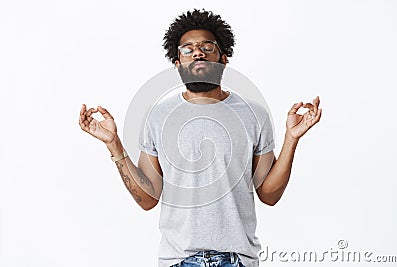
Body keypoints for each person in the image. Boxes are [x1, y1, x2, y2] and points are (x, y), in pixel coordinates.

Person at [79, 9, 322, 267]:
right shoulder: (158, 116)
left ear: (223, 58)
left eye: (207, 46)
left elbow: (269, 195)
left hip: (237, 260)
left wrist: (292, 138)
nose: (198, 52)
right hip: (178, 260)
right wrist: (113, 144)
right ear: (177, 63)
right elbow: (148, 198)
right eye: (188, 49)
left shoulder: (253, 114)